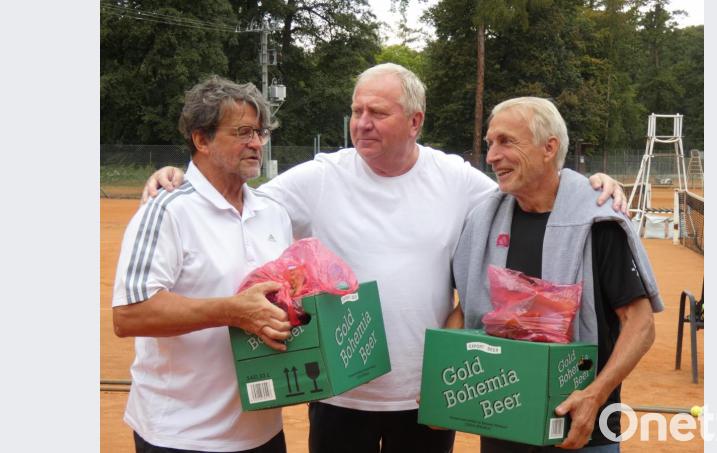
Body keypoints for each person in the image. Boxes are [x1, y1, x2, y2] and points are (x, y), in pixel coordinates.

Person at [142, 63, 628, 453]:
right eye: (356, 110)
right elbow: (242, 201)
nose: (362, 122)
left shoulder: (457, 180)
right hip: (338, 393)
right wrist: (183, 175)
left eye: (377, 112)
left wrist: (588, 188)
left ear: (415, 121)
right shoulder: (320, 177)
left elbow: (530, 188)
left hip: (427, 394)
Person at [450, 97, 663, 452]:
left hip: (582, 432)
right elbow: (464, 311)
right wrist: (442, 383)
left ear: (549, 148)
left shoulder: (598, 220)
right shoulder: (482, 220)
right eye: (490, 144)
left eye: (506, 142)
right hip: (502, 423)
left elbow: (640, 324)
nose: (492, 156)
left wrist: (594, 396)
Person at [112, 76, 294, 453]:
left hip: (263, 433)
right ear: (202, 139)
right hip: (181, 436)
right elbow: (130, 314)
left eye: (260, 132)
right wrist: (233, 311)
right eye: (242, 132)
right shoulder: (167, 211)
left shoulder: (274, 213)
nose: (256, 143)